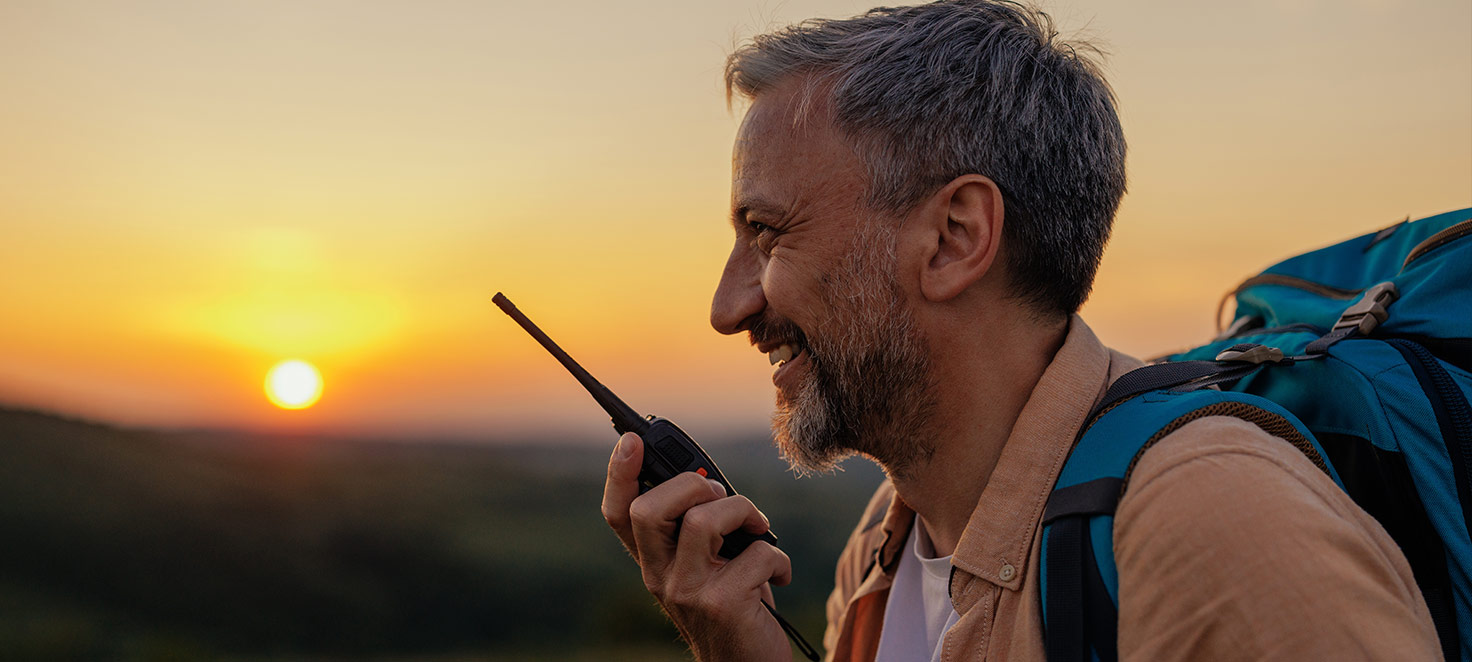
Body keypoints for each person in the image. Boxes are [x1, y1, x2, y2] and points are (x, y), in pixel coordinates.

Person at [600, 1, 1441, 660]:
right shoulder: (883, 553)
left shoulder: (1212, 524)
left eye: (768, 232)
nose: (727, 306)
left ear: (955, 238)